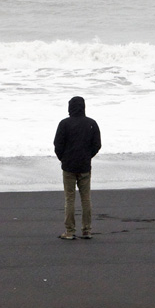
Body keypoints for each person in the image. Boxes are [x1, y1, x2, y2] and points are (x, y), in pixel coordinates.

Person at [53, 96, 102, 239]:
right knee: (86, 199)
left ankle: (69, 231)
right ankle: (86, 230)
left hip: (68, 166)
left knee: (70, 199)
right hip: (85, 166)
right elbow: (97, 145)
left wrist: (63, 158)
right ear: (83, 107)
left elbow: (58, 145)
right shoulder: (91, 123)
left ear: (70, 107)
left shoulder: (64, 124)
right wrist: (88, 156)